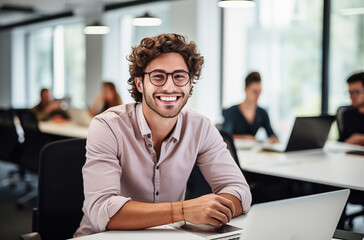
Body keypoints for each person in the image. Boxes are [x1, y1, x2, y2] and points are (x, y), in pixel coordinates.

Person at [74, 33, 251, 237]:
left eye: (179, 76)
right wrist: (184, 211)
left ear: (190, 82)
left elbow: (240, 191)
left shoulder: (200, 127)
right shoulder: (107, 126)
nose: (169, 86)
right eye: (158, 76)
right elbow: (102, 211)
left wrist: (214, 209)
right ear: (140, 84)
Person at [222, 72, 279, 143]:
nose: (258, 95)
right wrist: (245, 138)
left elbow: (272, 135)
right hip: (234, 151)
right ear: (246, 90)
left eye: (260, 91)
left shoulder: (262, 113)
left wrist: (274, 139)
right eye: (254, 92)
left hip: (254, 152)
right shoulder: (231, 112)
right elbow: (225, 136)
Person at [338, 72, 364, 146]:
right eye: (350, 92)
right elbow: (342, 141)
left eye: (356, 92)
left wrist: (361, 139)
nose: (351, 96)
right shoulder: (348, 114)